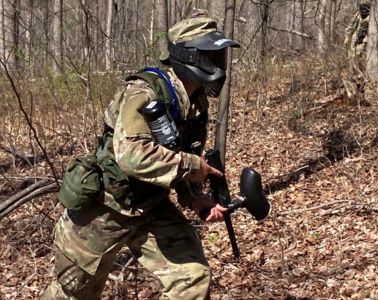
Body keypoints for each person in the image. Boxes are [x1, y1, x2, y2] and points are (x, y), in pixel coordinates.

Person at [41, 16, 240, 300]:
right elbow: (132, 156)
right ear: (190, 56)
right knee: (73, 292)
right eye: (212, 55)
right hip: (104, 208)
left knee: (192, 279)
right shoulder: (143, 92)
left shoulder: (196, 104)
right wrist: (194, 167)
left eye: (219, 55)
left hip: (151, 206)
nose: (219, 63)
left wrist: (193, 197)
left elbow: (179, 158)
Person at [343, 2, 371, 104]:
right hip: (354, 46)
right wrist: (347, 36)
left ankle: (361, 95)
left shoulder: (373, 17)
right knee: (352, 69)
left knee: (361, 72)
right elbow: (351, 25)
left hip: (364, 47)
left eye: (365, 11)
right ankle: (352, 95)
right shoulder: (358, 15)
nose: (363, 13)